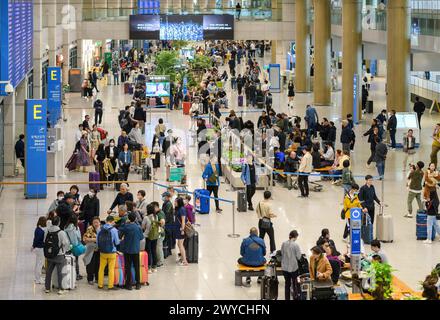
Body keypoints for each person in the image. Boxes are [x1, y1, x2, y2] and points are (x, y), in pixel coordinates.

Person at [44, 216, 71, 294]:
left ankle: (47, 288)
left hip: (49, 255)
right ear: (59, 222)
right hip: (59, 255)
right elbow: (66, 244)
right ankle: (61, 289)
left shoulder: (47, 231)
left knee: (48, 272)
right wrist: (65, 250)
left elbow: (44, 241)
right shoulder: (61, 232)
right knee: (61, 272)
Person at [119, 212, 145, 290]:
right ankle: (138, 284)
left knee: (128, 267)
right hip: (136, 249)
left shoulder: (126, 227)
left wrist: (124, 224)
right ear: (135, 218)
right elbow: (141, 238)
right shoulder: (138, 227)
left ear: (128, 219)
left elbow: (120, 235)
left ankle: (129, 284)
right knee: (137, 267)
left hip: (127, 250)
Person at [96, 215, 120, 290]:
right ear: (112, 221)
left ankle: (100, 285)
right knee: (111, 269)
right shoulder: (114, 230)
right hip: (111, 252)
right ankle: (110, 286)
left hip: (102, 252)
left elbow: (97, 241)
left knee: (101, 268)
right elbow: (117, 242)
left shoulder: (100, 229)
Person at [281, 230, 302, 300]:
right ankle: (295, 297)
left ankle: (287, 298)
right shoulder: (296, 245)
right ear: (295, 237)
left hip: (284, 267)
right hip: (293, 268)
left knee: (287, 284)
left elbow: (282, 253)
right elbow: (299, 257)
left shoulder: (284, 243)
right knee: (295, 284)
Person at [83, 216, 101, 285]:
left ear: (99, 222)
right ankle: (90, 279)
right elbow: (85, 239)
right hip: (91, 249)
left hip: (99, 249)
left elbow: (101, 239)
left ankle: (97, 278)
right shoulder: (89, 229)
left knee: (98, 264)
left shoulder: (101, 229)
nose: (96, 224)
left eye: (97, 222)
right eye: (94, 222)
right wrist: (95, 239)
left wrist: (92, 239)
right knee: (90, 264)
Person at [65, 215, 83, 281]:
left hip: (68, 246)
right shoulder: (76, 228)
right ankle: (77, 274)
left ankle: (69, 274)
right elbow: (79, 237)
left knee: (69, 261)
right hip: (75, 246)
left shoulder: (65, 227)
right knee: (76, 261)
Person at [32, 216, 47, 284]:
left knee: (37, 263)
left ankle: (36, 277)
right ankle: (38, 279)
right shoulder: (41, 231)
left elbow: (35, 239)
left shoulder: (37, 228)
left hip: (37, 248)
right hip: (40, 248)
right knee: (40, 264)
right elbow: (37, 240)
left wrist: (33, 246)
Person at [174, 197, 189, 266]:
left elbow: (183, 220)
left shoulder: (182, 209)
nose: (174, 203)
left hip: (181, 229)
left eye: (176, 202)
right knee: (179, 244)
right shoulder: (178, 209)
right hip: (178, 228)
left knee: (180, 244)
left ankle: (185, 261)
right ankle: (183, 258)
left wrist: (182, 230)